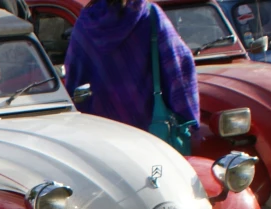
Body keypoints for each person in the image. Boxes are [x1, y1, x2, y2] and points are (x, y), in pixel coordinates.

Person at [63, 0, 198, 136]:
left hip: (102, 136)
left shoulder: (85, 25)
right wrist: (189, 119)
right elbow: (179, 70)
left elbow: (74, 84)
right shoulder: (150, 15)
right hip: (152, 134)